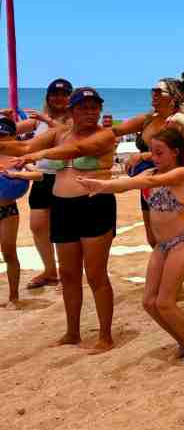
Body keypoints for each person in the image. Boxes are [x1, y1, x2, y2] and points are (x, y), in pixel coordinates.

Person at [0, 87, 118, 351]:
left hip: (94, 205)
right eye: (84, 107)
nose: (90, 112)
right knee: (67, 274)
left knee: (96, 274)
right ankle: (72, 332)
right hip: (62, 207)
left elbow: (76, 150)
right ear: (72, 110)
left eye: (94, 107)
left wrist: (37, 156)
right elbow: (25, 145)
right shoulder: (59, 133)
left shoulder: (105, 135)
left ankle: (105, 336)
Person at [77, 127, 184, 363]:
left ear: (175, 152)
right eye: (152, 152)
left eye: (160, 152)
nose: (155, 157)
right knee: (149, 303)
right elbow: (129, 183)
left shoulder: (181, 173)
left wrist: (106, 185)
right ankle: (183, 341)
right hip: (162, 245)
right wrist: (101, 185)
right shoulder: (151, 171)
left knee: (165, 302)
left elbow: (145, 181)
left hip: (183, 242)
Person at [116, 78, 184, 247]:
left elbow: (168, 152)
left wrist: (141, 156)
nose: (154, 95)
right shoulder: (149, 119)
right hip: (148, 183)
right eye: (153, 91)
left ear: (172, 98)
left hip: (170, 182)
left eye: (159, 92)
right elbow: (116, 130)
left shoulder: (177, 121)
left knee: (172, 235)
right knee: (152, 236)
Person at [15, 78, 73, 289]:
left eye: (64, 94)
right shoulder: (39, 120)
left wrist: (46, 120)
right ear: (48, 97)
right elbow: (13, 129)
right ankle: (50, 271)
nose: (59, 98)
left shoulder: (74, 119)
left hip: (64, 177)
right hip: (41, 177)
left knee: (63, 229)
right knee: (38, 226)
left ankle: (67, 272)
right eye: (55, 94)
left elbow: (67, 135)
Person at [0, 117, 38, 308]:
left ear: (13, 137)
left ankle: (13, 296)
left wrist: (17, 173)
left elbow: (38, 175)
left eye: (5, 136)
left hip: (8, 209)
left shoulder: (16, 158)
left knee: (9, 252)